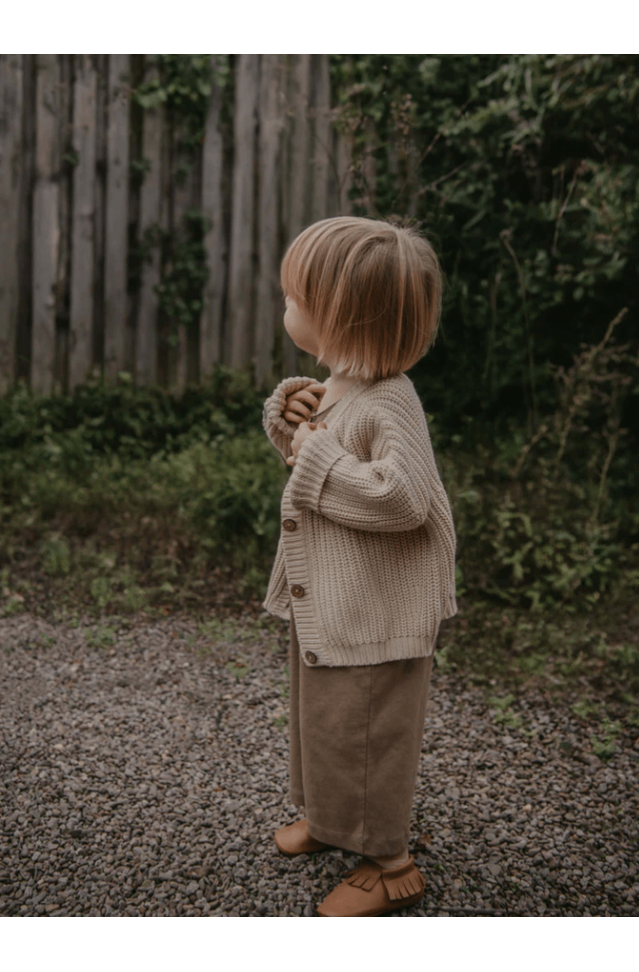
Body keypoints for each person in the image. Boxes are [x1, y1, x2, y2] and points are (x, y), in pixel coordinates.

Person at [261, 215, 457, 917]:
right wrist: (291, 418)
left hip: (375, 610)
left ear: (342, 319)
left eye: (295, 300)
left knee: (370, 729)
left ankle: (390, 861)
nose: (284, 309)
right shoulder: (346, 381)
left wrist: (313, 451)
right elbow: (311, 451)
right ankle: (332, 821)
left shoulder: (391, 402)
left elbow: (402, 500)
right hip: (336, 602)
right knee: (328, 722)